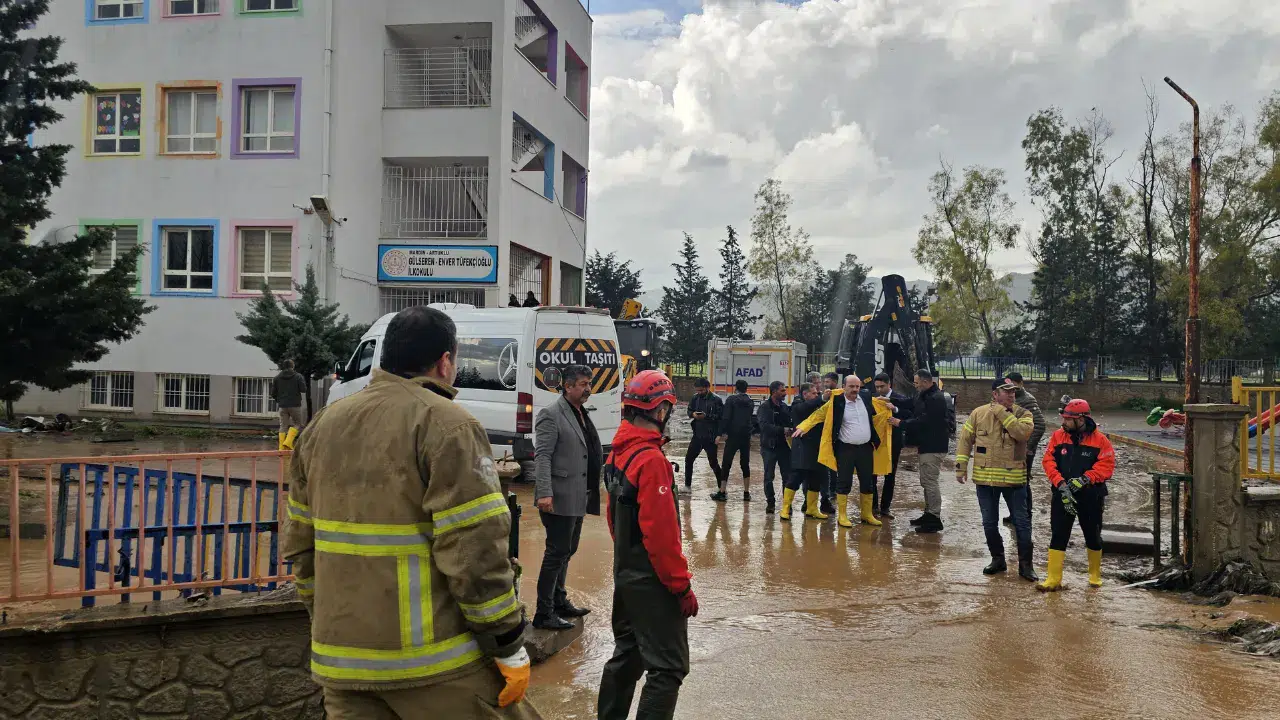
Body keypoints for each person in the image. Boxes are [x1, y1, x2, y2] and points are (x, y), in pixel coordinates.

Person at [282, 306, 541, 719]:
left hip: (341, 665)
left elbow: (300, 546)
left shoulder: (321, 426)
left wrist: (327, 622)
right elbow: (475, 551)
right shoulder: (447, 424)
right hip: (433, 665)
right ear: (445, 362)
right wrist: (507, 641)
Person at [598, 370, 697, 720]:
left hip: (626, 573)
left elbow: (613, 518)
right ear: (661, 410)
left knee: (628, 654)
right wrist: (680, 585)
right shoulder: (651, 461)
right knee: (668, 669)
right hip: (652, 579)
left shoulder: (619, 452)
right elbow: (661, 533)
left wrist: (626, 563)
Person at [532, 365, 602, 631]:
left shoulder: (581, 412)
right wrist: (545, 491)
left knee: (567, 551)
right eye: (583, 384)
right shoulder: (551, 414)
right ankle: (543, 612)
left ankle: (559, 601)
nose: (588, 389)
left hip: (578, 494)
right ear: (568, 386)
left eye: (589, 384)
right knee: (556, 553)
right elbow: (543, 456)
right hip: (558, 496)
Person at [956, 380, 1038, 581]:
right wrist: (960, 468)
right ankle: (998, 560)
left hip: (1014, 481)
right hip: (986, 481)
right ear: (995, 394)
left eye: (1013, 392)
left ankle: (1026, 566)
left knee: (1022, 523)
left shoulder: (1023, 414)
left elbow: (1022, 433)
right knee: (989, 523)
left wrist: (1002, 412)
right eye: (1006, 392)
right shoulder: (978, 413)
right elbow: (965, 440)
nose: (1011, 395)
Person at [1038, 399, 1116, 592]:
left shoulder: (1100, 440)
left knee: (1092, 534)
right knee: (1058, 534)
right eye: (1063, 417)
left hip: (1091, 496)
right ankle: (1053, 578)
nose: (1063, 422)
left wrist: (1085, 479)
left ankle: (1095, 576)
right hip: (1062, 494)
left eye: (1067, 418)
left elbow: (1107, 465)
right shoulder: (1058, 436)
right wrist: (1061, 484)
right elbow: (1048, 461)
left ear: (1081, 419)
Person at [792, 374, 887, 528]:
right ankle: (842, 516)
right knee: (844, 482)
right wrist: (804, 426)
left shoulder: (866, 397)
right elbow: (819, 414)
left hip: (865, 448)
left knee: (868, 482)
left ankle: (867, 514)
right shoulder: (837, 401)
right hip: (845, 448)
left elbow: (879, 406)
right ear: (844, 387)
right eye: (851, 386)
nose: (855, 389)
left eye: (857, 386)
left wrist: (890, 406)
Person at [892, 370, 949, 534]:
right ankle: (928, 513)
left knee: (930, 482)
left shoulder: (936, 398)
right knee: (926, 481)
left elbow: (924, 421)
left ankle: (934, 518)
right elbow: (910, 402)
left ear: (925, 382)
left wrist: (900, 423)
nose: (915, 385)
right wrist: (890, 400)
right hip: (926, 446)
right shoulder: (924, 395)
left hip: (934, 446)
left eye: (916, 382)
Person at [1001, 372, 1046, 526]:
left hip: (1024, 448)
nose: (1010, 388)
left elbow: (1039, 425)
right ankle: (1016, 513)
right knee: (1011, 481)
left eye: (1012, 384)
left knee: (1022, 481)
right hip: (1012, 448)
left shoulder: (1027, 400)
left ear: (1020, 383)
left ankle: (1025, 514)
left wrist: (1029, 447)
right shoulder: (1009, 399)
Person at [783, 383, 827, 521]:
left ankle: (812, 509)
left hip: (817, 447)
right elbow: (804, 409)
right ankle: (785, 508)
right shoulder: (797, 405)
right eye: (813, 393)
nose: (816, 396)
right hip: (802, 447)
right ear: (805, 394)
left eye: (817, 393)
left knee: (816, 479)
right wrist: (821, 398)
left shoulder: (817, 404)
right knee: (795, 478)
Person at [872, 372, 910, 519]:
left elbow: (910, 414)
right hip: (876, 441)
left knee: (890, 474)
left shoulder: (900, 399)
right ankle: (873, 506)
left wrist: (895, 409)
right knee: (872, 473)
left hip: (894, 442)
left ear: (889, 385)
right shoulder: (873, 399)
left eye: (882, 386)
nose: (880, 390)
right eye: (877, 387)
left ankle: (885, 508)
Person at [712, 379, 754, 503]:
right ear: (746, 389)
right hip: (746, 436)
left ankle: (722, 491)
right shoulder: (750, 402)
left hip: (733, 436)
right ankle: (746, 492)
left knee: (726, 463)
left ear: (736, 388)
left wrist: (719, 434)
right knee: (745, 463)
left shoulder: (731, 400)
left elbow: (725, 418)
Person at [756, 380, 793, 514]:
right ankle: (770, 502)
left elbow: (790, 422)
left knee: (787, 477)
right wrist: (782, 430)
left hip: (784, 447)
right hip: (769, 447)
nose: (785, 393)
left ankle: (787, 504)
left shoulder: (784, 407)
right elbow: (764, 427)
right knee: (768, 476)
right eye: (782, 390)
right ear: (774, 392)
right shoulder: (765, 407)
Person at [684, 378, 724, 493]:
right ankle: (687, 486)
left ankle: (721, 488)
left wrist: (718, 435)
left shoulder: (717, 400)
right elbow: (689, 411)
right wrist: (693, 414)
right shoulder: (695, 398)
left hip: (711, 437)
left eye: (701, 390)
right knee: (689, 459)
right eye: (697, 391)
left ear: (707, 387)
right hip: (697, 435)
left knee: (713, 463)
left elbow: (721, 419)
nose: (699, 393)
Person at [272, 359, 309, 450]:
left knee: (283, 426)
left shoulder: (277, 378)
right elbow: (303, 389)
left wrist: (279, 400)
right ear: (293, 366)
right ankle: (288, 442)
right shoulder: (298, 376)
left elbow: (273, 393)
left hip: (282, 406)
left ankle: (281, 447)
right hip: (295, 405)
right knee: (298, 423)